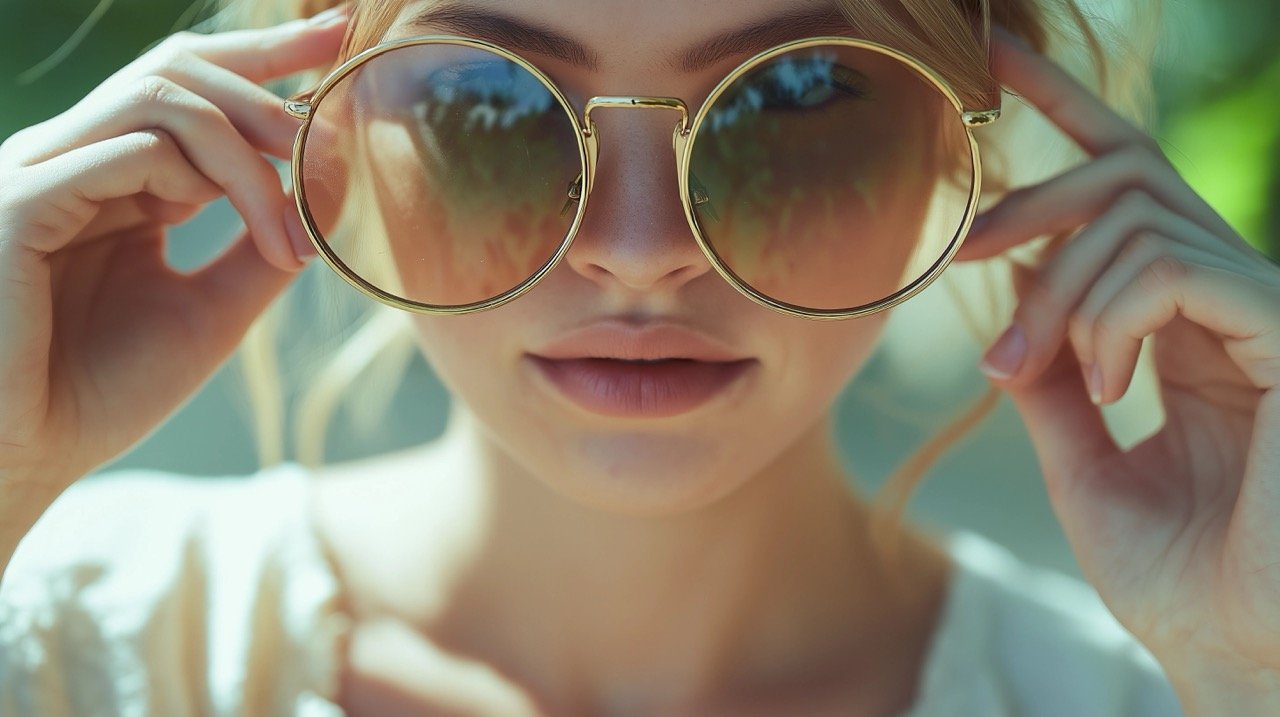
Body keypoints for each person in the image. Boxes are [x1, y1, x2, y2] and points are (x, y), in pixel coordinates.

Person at [1, 0, 1278, 714]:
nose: (636, 249)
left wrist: (1239, 676)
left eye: (793, 95)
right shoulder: (70, 639)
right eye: (486, 97)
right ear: (322, 122)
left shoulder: (1146, 698)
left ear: (968, 146)